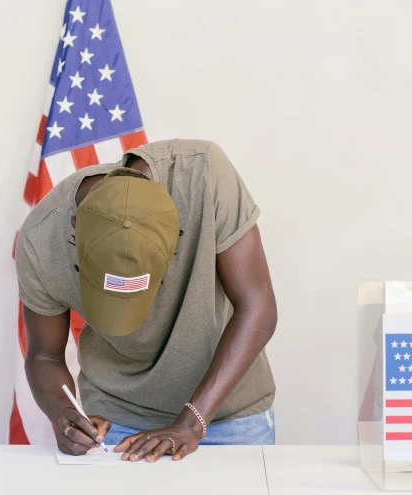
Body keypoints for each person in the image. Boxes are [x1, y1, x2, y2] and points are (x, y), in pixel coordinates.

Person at [15, 139, 277, 463]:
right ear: (75, 228)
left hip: (228, 416)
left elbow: (258, 306)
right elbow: (44, 357)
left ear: (174, 237)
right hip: (117, 421)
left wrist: (192, 423)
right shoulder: (42, 241)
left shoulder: (204, 176)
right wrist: (63, 413)